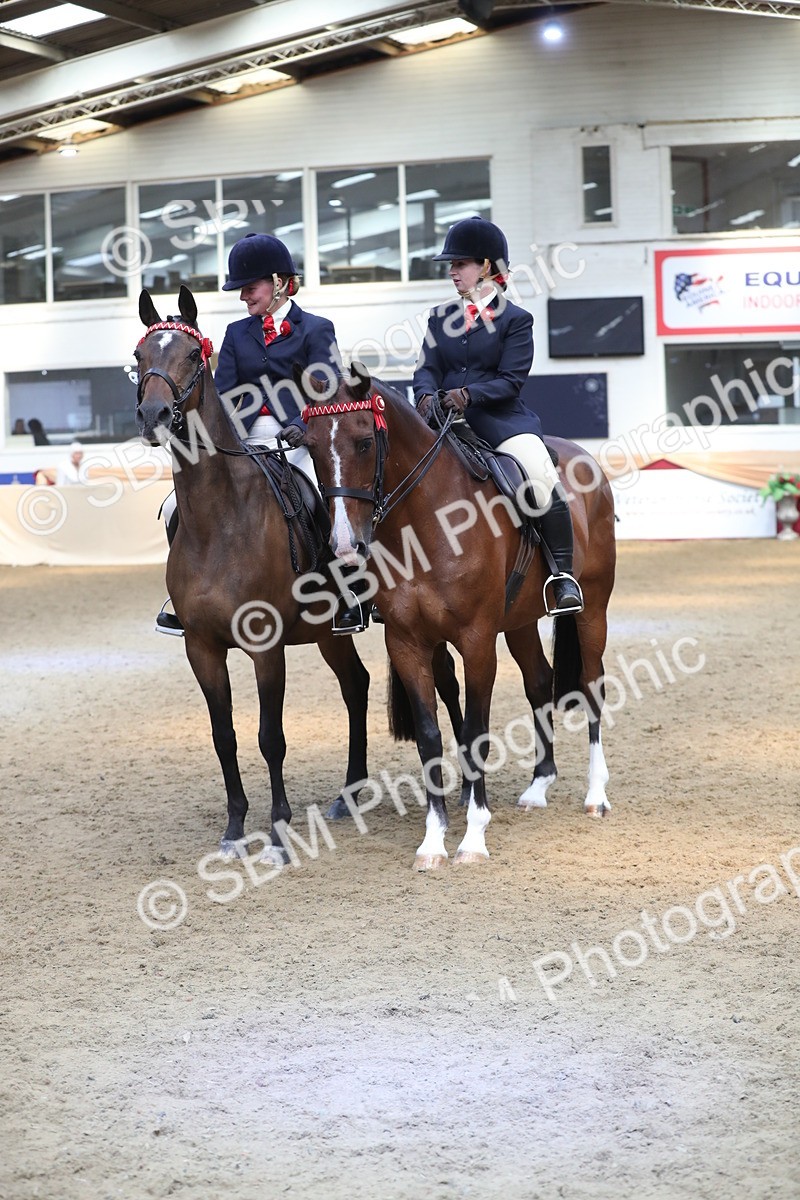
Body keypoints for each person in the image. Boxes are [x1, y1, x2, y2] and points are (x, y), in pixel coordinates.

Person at [156, 233, 361, 634]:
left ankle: (343, 594)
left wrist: (303, 426)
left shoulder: (317, 329)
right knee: (171, 506)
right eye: (241, 290)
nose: (243, 297)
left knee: (326, 503)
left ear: (279, 283)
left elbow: (326, 386)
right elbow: (227, 394)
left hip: (303, 437)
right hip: (245, 439)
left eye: (250, 288)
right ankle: (183, 594)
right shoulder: (236, 334)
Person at [412, 215, 583, 615]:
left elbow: (511, 380)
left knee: (539, 473)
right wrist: (423, 396)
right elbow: (426, 369)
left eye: (461, 264)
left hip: (501, 421)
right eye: (451, 266)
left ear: (487, 266)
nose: (452, 272)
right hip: (442, 424)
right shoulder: (440, 318)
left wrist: (468, 394)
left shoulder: (516, 320)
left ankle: (561, 576)